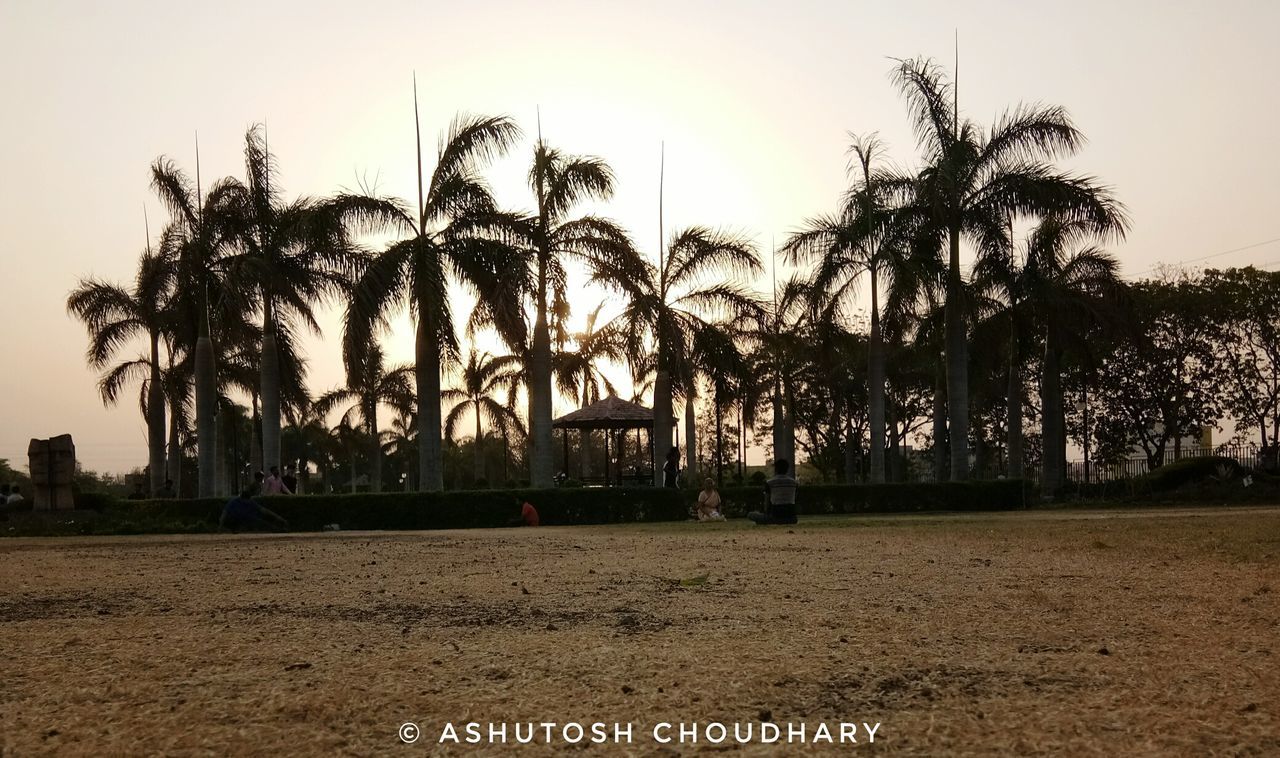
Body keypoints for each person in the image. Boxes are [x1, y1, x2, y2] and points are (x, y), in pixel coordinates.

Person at [747, 459, 799, 525]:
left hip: (775, 515)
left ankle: (765, 521)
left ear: (776, 469)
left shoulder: (770, 483)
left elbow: (767, 501)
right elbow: (795, 498)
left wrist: (766, 512)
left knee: (751, 514)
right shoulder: (794, 483)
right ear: (787, 469)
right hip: (791, 517)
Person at [219, 489, 289, 533]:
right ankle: (235, 529)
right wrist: (220, 526)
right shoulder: (234, 502)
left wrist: (279, 518)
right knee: (261, 523)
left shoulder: (249, 502)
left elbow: (264, 511)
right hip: (236, 519)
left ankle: (278, 530)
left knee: (263, 523)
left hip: (248, 518)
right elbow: (224, 513)